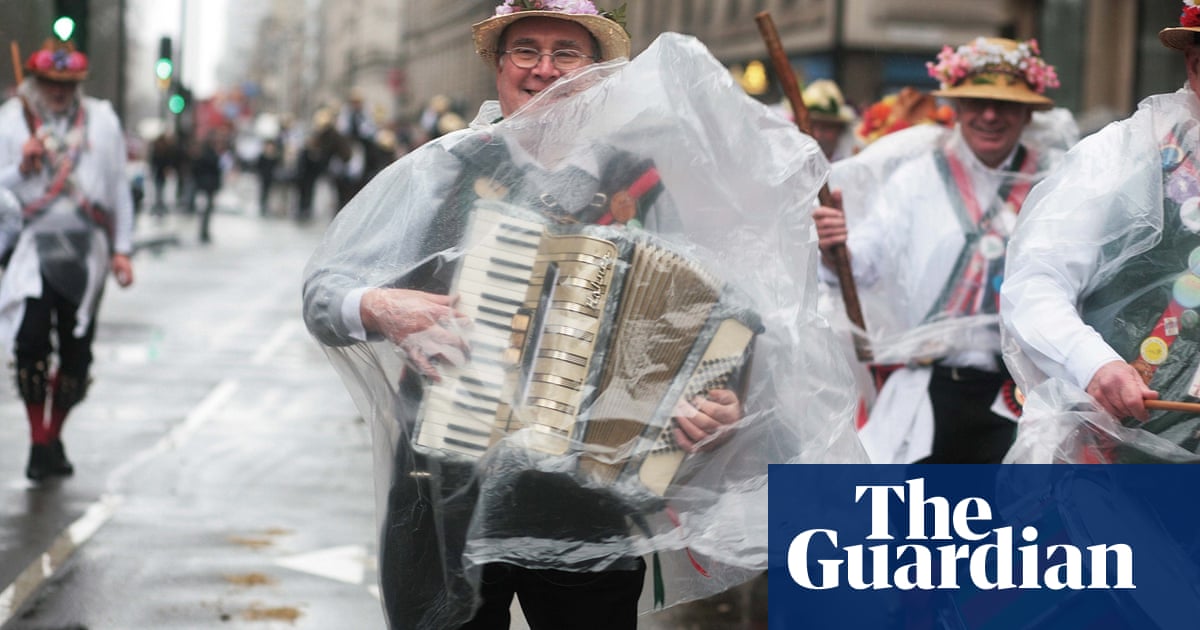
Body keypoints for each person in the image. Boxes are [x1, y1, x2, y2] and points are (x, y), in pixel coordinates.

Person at [302, 2, 863, 628]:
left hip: (588, 499)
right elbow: (325, 292)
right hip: (444, 485)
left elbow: (712, 322)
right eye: (526, 50)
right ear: (498, 65)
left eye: (566, 53)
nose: (544, 69)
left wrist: (716, 403)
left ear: (596, 75)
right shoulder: (444, 169)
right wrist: (379, 305)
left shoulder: (641, 185)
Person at [813, 36, 1064, 464]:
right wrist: (836, 250)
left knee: (1018, 507)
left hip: (1027, 394)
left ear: (1028, 112)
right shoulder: (916, 179)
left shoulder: (1056, 181)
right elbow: (863, 266)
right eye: (977, 101)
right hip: (932, 387)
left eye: (1005, 104)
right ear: (957, 108)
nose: (989, 115)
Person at [1001, 4, 1200, 464]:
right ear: (1194, 64)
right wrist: (1094, 364)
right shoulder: (1119, 155)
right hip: (1125, 449)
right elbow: (1036, 282)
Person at [0, 38, 135, 481]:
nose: (58, 91)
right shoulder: (11, 122)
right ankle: (39, 442)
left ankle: (53, 436)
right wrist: (21, 168)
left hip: (86, 253)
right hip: (33, 250)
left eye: (67, 83)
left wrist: (122, 249)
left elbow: (118, 187)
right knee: (30, 344)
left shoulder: (102, 121)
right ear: (35, 82)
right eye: (49, 82)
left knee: (76, 356)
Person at [800, 79, 856, 162]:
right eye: (811, 126)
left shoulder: (854, 158)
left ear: (840, 129)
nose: (817, 135)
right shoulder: (792, 161)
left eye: (825, 128)